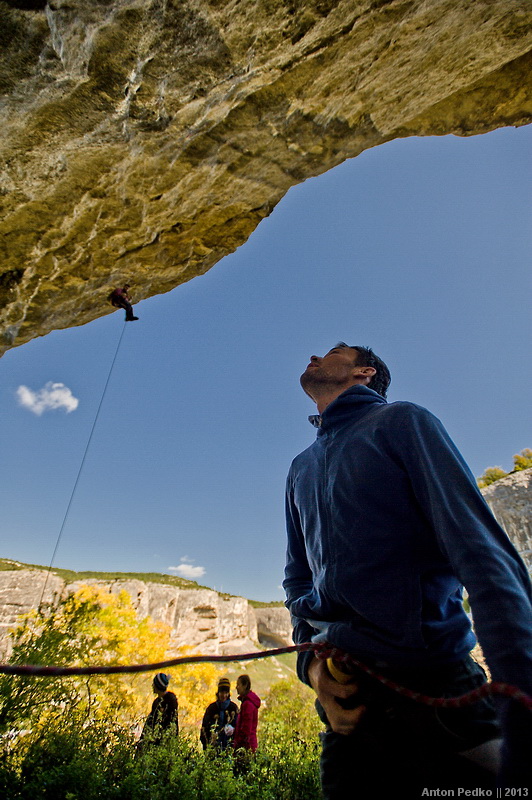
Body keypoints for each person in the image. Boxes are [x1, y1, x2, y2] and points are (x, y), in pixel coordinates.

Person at [283, 343, 532, 797]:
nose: (315, 355)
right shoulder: (300, 468)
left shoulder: (403, 421)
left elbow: (479, 548)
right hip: (348, 717)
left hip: (439, 694)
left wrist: (523, 696)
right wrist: (311, 670)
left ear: (364, 371)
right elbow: (297, 580)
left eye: (335, 351)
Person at [137, 672, 178, 750]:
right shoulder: (156, 702)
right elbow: (151, 722)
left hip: (165, 743)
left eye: (154, 684)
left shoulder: (170, 702)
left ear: (158, 686)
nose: (152, 686)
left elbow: (168, 723)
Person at [200, 677, 238, 751]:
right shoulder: (212, 708)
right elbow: (204, 728)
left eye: (226, 693)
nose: (223, 695)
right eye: (222, 692)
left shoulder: (233, 708)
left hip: (228, 748)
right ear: (218, 693)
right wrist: (207, 743)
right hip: (212, 747)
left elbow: (237, 725)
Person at [232, 674, 261, 753]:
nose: (236, 687)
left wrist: (239, 744)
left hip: (246, 746)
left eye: (238, 685)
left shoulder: (247, 704)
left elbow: (246, 729)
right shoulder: (246, 702)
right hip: (248, 744)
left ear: (245, 686)